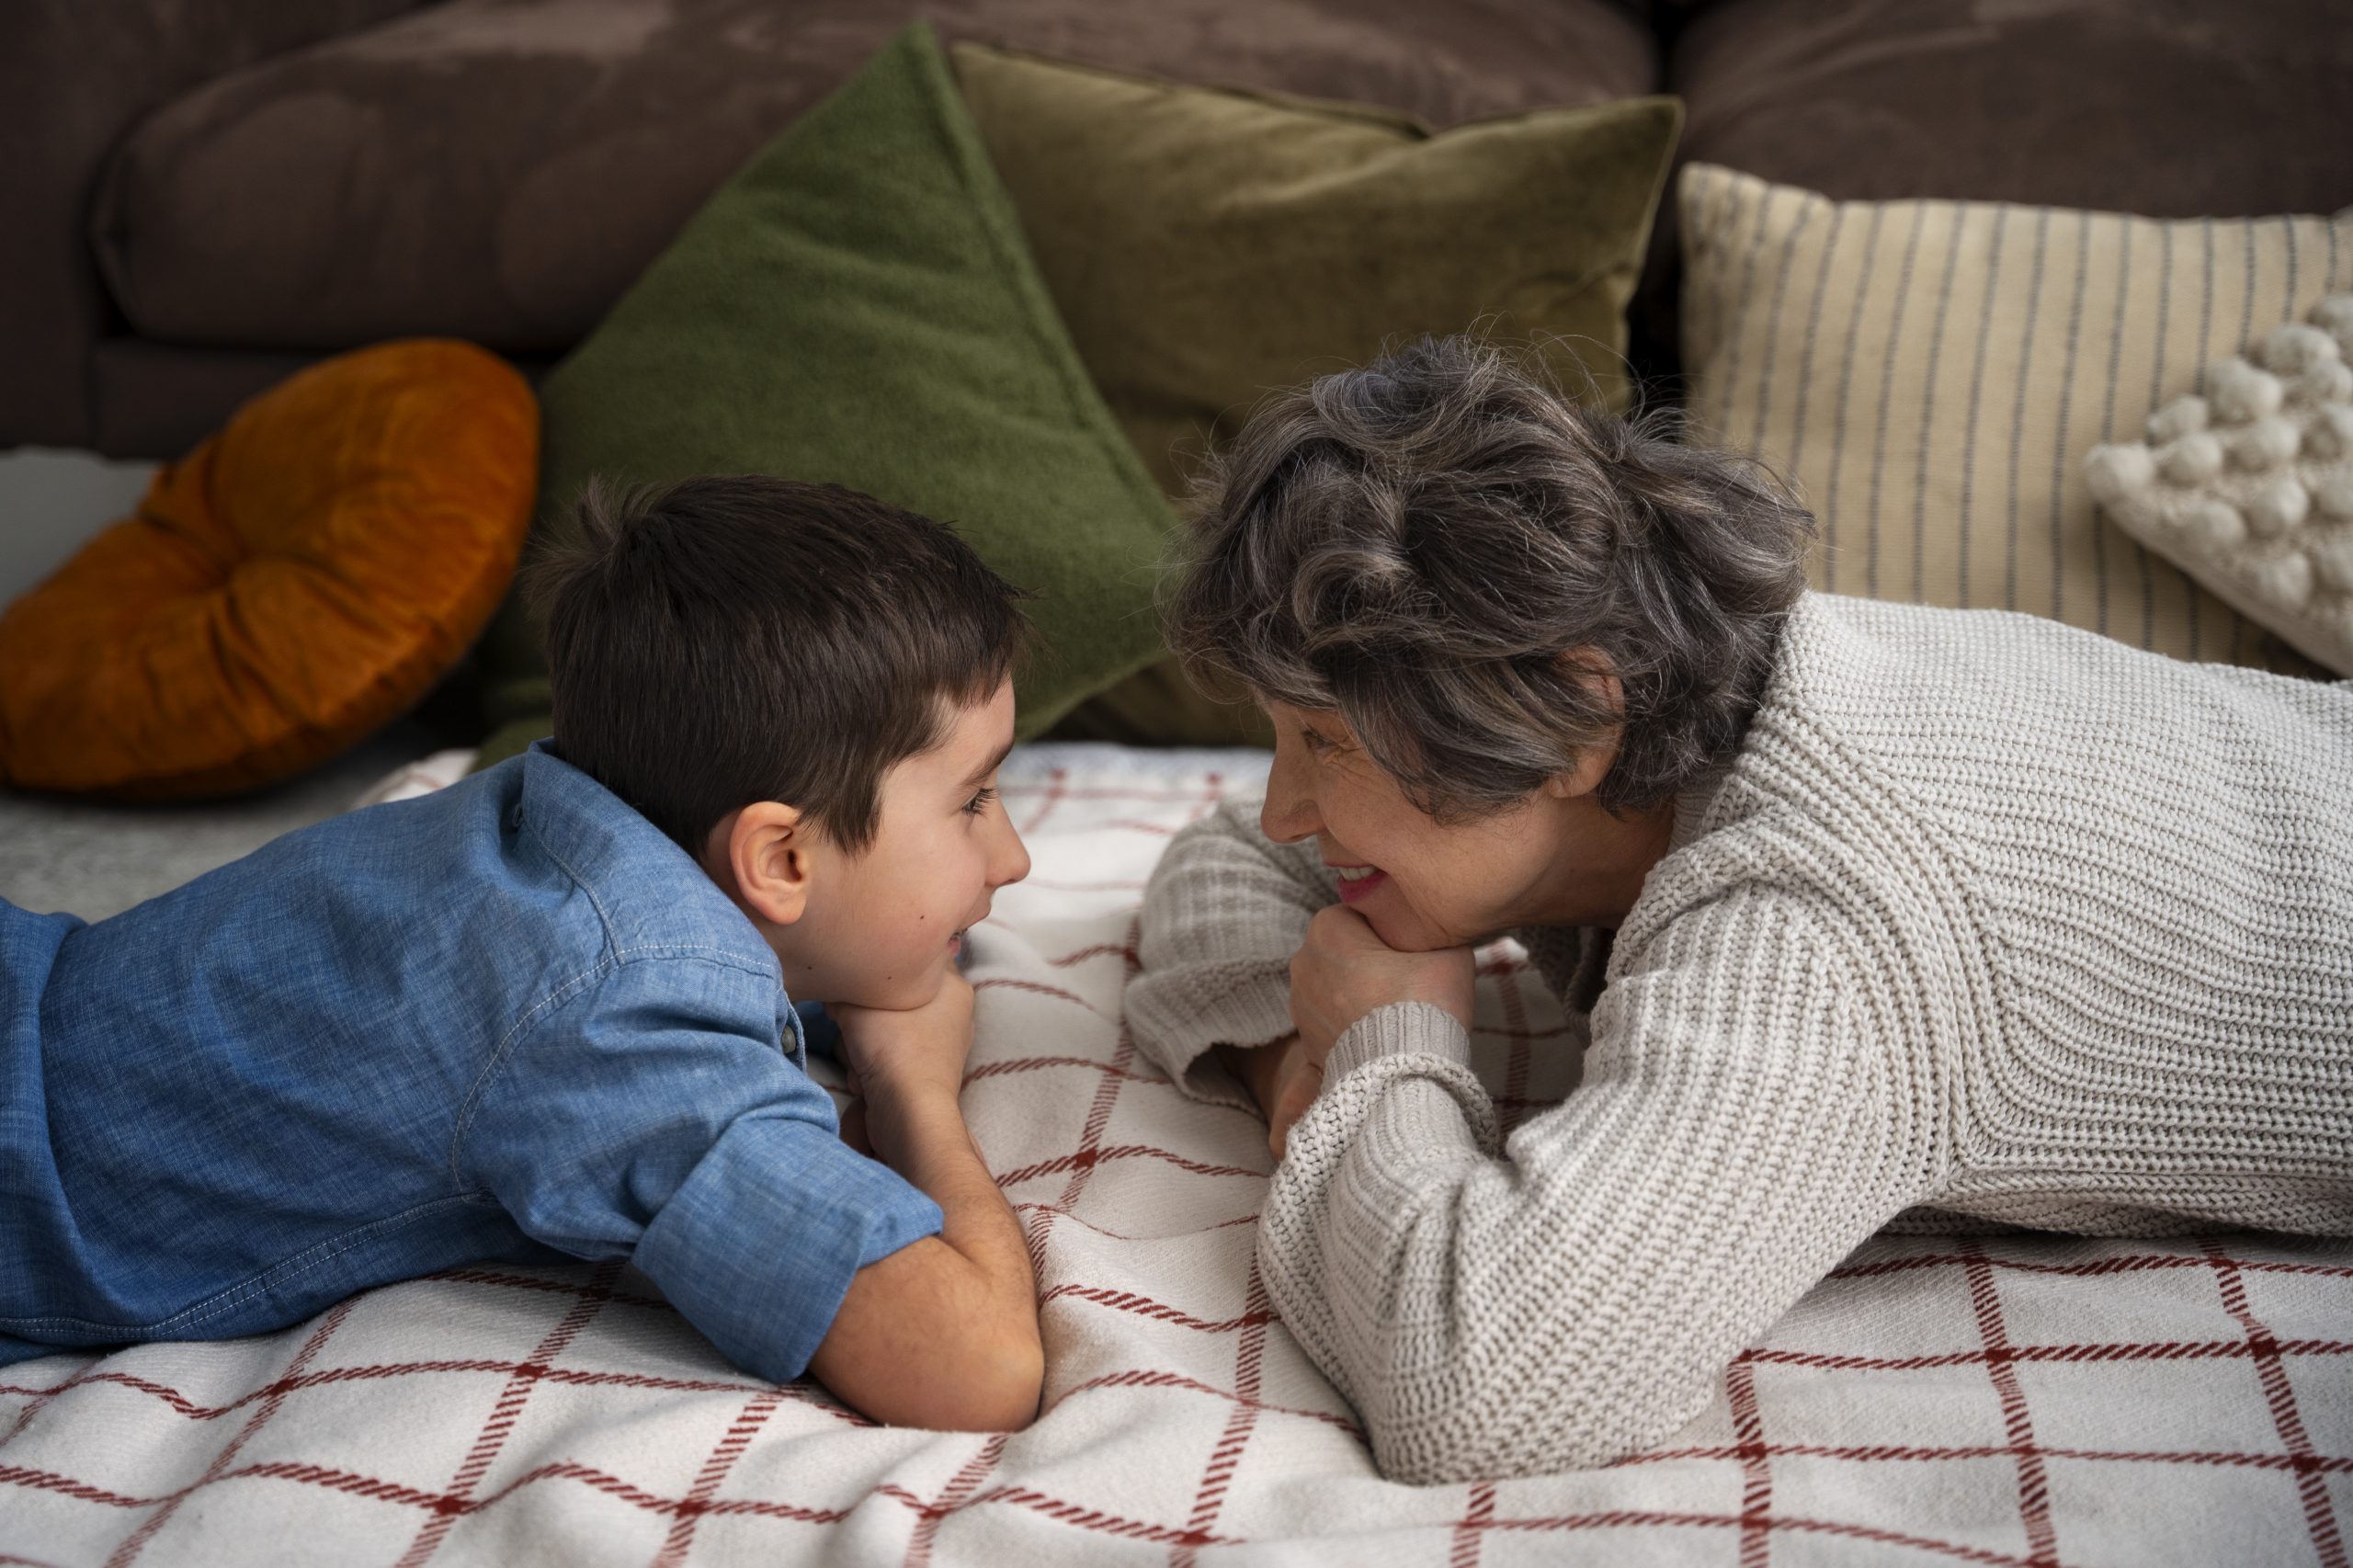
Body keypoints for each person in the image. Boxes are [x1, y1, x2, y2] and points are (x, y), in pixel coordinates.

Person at [1125, 335, 2353, 1483]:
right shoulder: (1678, 707)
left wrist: (1383, 1049)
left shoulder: (1828, 919)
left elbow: (1475, 1390)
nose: (1283, 808)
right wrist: (1294, 1055)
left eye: (1327, 742)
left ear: (1574, 712)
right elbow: (1224, 855)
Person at [0, 475, 1042, 1432]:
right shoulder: (616, 1024)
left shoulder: (561, 818)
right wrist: (911, 1083)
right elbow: (977, 1370)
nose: (1015, 857)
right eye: (973, 800)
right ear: (780, 857)